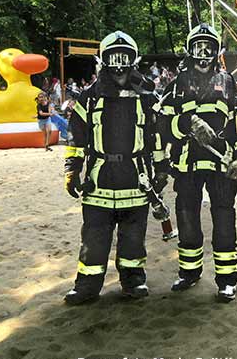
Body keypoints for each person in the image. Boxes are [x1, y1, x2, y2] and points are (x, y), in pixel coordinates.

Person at [62, 31, 168, 305]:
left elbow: (157, 135)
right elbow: (76, 135)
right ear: (103, 60)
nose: (119, 65)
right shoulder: (89, 98)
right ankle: (87, 286)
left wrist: (162, 169)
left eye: (125, 58)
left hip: (136, 177)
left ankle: (133, 281)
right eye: (113, 57)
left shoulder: (147, 97)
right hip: (99, 178)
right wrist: (72, 169)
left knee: (133, 237)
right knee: (94, 236)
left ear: (134, 60)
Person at [158, 24, 237, 302]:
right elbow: (161, 125)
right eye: (198, 47)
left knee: (224, 220)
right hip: (187, 166)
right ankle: (189, 273)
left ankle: (227, 280)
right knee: (187, 218)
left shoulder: (227, 82)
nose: (203, 54)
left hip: (221, 167)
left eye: (208, 47)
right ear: (189, 50)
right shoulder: (175, 86)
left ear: (217, 51)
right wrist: (185, 124)